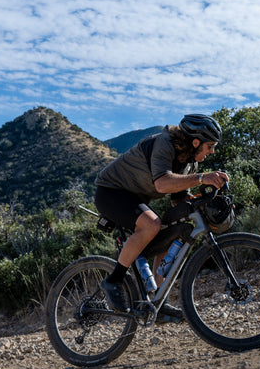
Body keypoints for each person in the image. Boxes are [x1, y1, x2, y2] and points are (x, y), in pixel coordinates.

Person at [94, 114, 229, 320]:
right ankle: (113, 280)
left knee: (170, 232)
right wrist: (203, 179)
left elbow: (178, 199)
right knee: (151, 224)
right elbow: (162, 184)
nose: (212, 151)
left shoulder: (190, 163)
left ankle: (159, 301)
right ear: (195, 142)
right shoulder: (164, 143)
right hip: (110, 192)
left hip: (135, 199)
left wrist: (199, 201)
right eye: (210, 145)